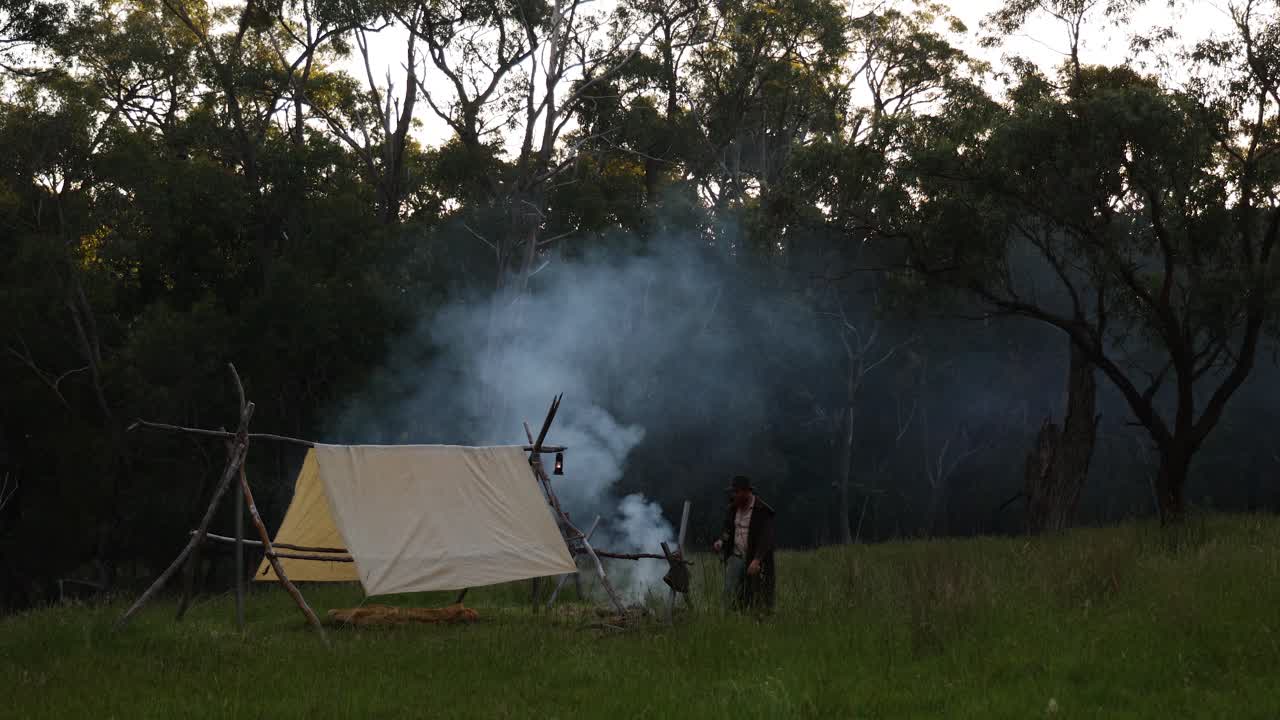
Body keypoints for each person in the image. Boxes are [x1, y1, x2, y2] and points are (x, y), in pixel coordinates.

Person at [712, 475, 776, 613]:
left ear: (746, 491)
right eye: (733, 492)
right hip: (736, 555)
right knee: (730, 590)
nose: (733, 495)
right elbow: (727, 530)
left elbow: (766, 538)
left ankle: (757, 620)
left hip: (756, 559)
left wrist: (757, 560)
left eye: (736, 492)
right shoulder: (732, 509)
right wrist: (721, 541)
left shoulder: (762, 511)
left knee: (757, 594)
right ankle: (728, 618)